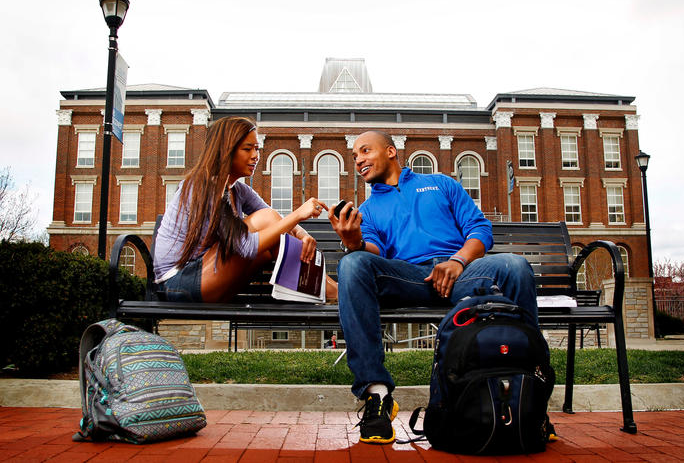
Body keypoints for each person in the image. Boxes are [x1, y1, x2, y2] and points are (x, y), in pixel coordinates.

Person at [328, 130, 546, 445]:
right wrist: (354, 242)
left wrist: (458, 261)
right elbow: (372, 253)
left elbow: (480, 229)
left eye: (365, 150)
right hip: (410, 278)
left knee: (515, 266)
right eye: (354, 157)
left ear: (391, 151)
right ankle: (377, 396)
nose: (358, 159)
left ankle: (531, 396)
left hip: (461, 273)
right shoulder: (369, 210)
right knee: (352, 263)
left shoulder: (440, 183)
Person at [153, 116, 337, 304]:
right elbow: (247, 245)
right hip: (177, 282)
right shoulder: (202, 186)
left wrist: (301, 234)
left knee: (272, 236)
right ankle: (335, 292)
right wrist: (298, 214)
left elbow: (276, 220)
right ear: (226, 151)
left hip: (205, 281)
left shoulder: (239, 190)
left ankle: (330, 290)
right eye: (247, 149)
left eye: (256, 149)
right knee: (266, 221)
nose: (255, 156)